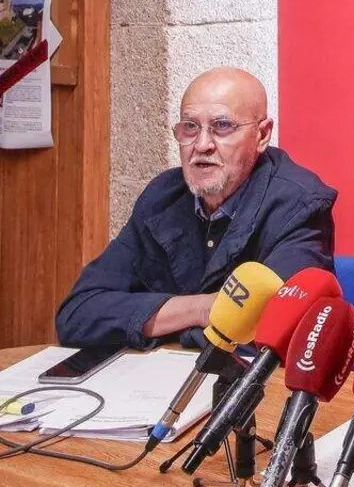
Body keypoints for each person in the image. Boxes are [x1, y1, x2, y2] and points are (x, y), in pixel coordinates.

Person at [55, 67, 337, 350]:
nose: (202, 145)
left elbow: (273, 340)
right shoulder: (162, 197)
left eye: (222, 126)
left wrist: (157, 322)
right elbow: (78, 315)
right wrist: (201, 309)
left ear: (262, 135)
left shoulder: (299, 205)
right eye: (190, 127)